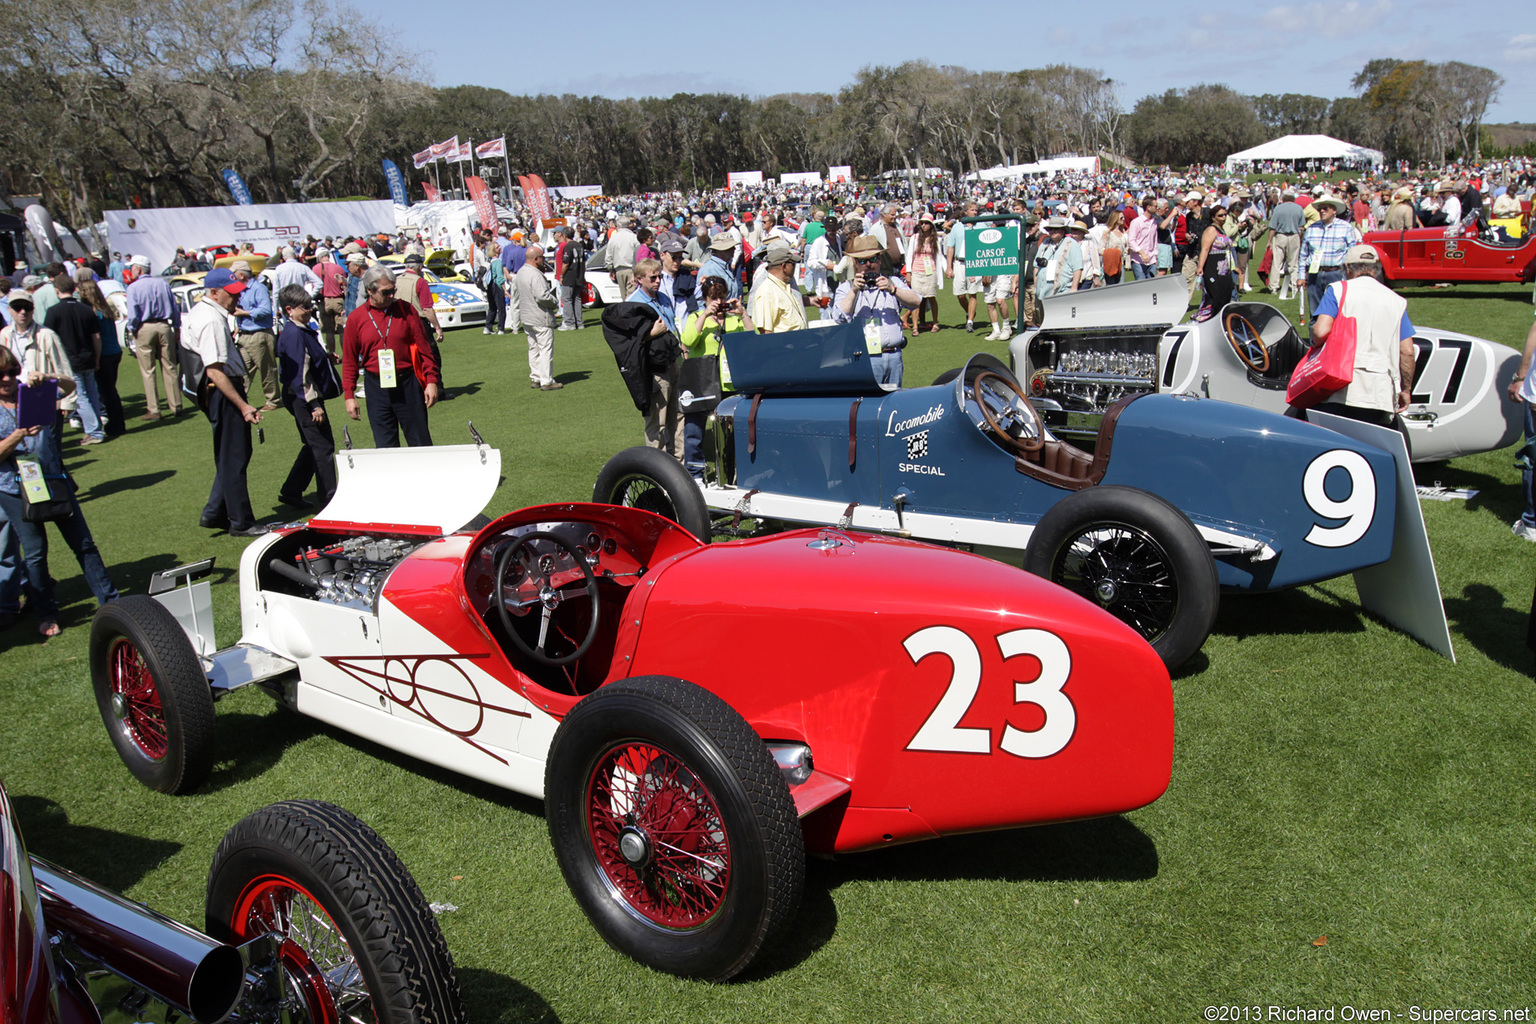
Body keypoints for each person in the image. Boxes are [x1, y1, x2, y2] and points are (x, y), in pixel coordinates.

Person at [0, 346, 119, 637]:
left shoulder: (30, 392)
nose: (7, 379)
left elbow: (68, 387)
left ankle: (112, 600)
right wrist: (17, 435)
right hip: (13, 489)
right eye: (0, 374)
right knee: (36, 553)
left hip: (52, 478)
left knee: (84, 544)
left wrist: (48, 377)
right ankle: (46, 613)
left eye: (12, 371)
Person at [182, 268, 267, 536]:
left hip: (217, 391)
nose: (236, 300)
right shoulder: (211, 321)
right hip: (222, 390)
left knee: (229, 454)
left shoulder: (204, 314)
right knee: (234, 456)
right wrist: (242, 405)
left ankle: (215, 511)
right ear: (214, 292)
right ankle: (241, 521)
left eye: (238, 293)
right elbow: (215, 370)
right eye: (231, 295)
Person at [1302, 245, 1416, 428]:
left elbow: (1320, 331)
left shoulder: (1337, 290)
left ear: (1347, 268)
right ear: (1376, 269)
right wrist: (1406, 389)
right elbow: (1407, 351)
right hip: (1379, 391)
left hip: (1338, 386)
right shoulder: (1396, 300)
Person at [342, 264, 440, 446]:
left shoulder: (406, 310)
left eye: (393, 290)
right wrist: (349, 395)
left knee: (420, 443)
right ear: (370, 291)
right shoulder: (356, 318)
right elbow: (349, 360)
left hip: (407, 384)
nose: (392, 296)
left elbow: (425, 349)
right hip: (376, 387)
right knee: (385, 447)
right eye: (386, 292)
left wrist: (431, 381)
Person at [679, 276, 752, 480]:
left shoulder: (732, 318)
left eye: (721, 297)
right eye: (713, 298)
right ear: (704, 298)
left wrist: (743, 313)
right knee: (694, 431)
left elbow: (751, 338)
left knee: (732, 431)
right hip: (701, 381)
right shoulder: (695, 316)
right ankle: (695, 473)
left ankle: (731, 471)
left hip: (729, 382)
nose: (718, 302)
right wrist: (704, 315)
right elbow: (688, 341)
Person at [274, 284, 338, 508]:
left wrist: (326, 357)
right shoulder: (294, 334)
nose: (310, 310)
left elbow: (308, 359)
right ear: (289, 309)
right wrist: (313, 404)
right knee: (322, 446)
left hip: (301, 395)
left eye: (311, 306)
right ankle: (329, 499)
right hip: (303, 397)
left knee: (314, 444)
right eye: (305, 307)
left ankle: (292, 490)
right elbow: (299, 373)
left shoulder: (299, 330)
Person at [830, 236, 920, 385]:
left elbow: (916, 301)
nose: (869, 265)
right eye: (863, 261)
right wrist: (854, 291)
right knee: (868, 403)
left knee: (893, 402)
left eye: (873, 259)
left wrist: (893, 290)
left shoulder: (892, 282)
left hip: (894, 356)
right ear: (855, 263)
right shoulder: (846, 288)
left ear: (879, 260)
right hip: (864, 358)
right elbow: (838, 317)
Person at [627, 257, 683, 454]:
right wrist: (652, 334)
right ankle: (657, 468)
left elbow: (673, 325)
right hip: (653, 368)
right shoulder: (632, 304)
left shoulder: (664, 297)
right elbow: (628, 342)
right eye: (652, 278)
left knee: (678, 416)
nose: (658, 281)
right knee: (657, 420)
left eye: (659, 276)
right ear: (639, 279)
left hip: (673, 361)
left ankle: (680, 466)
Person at [43, 275, 106, 445]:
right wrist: (97, 357)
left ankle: (95, 431)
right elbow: (97, 337)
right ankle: (97, 427)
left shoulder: (53, 312)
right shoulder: (86, 310)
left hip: (69, 361)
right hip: (88, 357)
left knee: (80, 396)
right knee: (91, 393)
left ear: (57, 291)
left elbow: (48, 338)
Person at [122, 255, 182, 419]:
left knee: (148, 370)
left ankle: (154, 409)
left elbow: (133, 314)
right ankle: (176, 405)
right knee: (169, 366)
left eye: (133, 267)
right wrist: (176, 327)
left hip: (144, 327)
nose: (130, 270)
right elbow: (174, 307)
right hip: (164, 325)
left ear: (138, 269)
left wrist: (132, 329)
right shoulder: (162, 284)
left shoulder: (133, 288)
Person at [74, 274, 126, 439]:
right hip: (114, 351)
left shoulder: (93, 313)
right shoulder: (105, 309)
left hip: (104, 353)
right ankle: (116, 423)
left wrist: (95, 358)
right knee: (109, 389)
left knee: (106, 391)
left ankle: (116, 424)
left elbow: (96, 337)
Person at [1298, 196, 1360, 323]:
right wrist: (1301, 276)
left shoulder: (1346, 227)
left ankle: (1334, 340)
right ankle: (1315, 341)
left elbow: (1352, 253)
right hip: (1315, 274)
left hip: (1336, 273)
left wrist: (1351, 275)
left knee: (1337, 310)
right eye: (1320, 209)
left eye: (1325, 209)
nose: (1322, 211)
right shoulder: (1311, 229)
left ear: (1334, 210)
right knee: (1315, 312)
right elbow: (1303, 254)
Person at [229, 260, 280, 411]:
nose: (232, 276)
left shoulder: (258, 288)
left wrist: (244, 313)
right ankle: (239, 398)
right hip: (244, 335)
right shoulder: (240, 290)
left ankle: (273, 400)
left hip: (259, 334)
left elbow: (265, 310)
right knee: (242, 369)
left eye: (234, 274)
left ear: (242, 274)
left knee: (267, 369)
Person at [515, 246, 562, 391]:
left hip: (527, 316)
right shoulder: (535, 274)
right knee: (545, 349)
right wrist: (555, 302)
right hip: (540, 316)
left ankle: (536, 377)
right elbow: (542, 295)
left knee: (533, 348)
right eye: (542, 257)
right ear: (536, 259)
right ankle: (546, 380)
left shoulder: (521, 272)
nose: (544, 260)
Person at [750, 247, 807, 334]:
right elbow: (766, 332)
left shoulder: (782, 287)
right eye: (793, 264)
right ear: (784, 266)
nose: (794, 268)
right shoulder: (767, 292)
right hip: (784, 346)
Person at [946, 201, 983, 332]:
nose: (975, 212)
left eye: (976, 210)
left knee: (973, 293)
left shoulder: (981, 224)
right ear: (965, 212)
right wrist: (949, 266)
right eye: (972, 210)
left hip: (975, 263)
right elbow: (951, 247)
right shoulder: (957, 227)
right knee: (960, 294)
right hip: (959, 263)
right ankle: (969, 312)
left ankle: (970, 321)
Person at [905, 214, 943, 334]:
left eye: (926, 223)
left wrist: (943, 271)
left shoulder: (935, 239)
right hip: (917, 271)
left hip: (930, 271)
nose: (924, 225)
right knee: (916, 299)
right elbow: (910, 254)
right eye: (922, 223)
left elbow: (938, 257)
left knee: (931, 296)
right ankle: (915, 326)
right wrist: (909, 272)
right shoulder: (915, 238)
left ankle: (935, 322)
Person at [558, 227, 586, 330]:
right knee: (577, 299)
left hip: (569, 275)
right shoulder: (579, 245)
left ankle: (570, 323)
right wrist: (583, 274)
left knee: (567, 299)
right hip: (579, 274)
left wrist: (561, 276)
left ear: (564, 235)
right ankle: (579, 322)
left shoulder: (568, 247)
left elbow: (565, 263)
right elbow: (583, 263)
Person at [698, 235, 740, 300]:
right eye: (730, 247)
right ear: (720, 250)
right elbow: (702, 300)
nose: (734, 249)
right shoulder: (709, 269)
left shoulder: (726, 267)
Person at [606, 217, 640, 298]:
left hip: (619, 270)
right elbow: (638, 254)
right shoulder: (634, 237)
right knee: (631, 295)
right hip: (631, 269)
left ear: (618, 225)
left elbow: (608, 256)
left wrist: (611, 269)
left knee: (623, 295)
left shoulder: (613, 238)